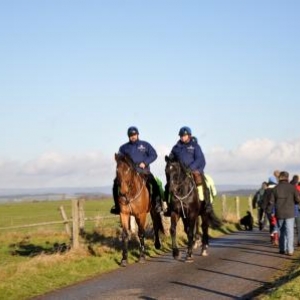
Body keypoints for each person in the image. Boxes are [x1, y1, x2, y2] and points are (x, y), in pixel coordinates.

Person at [110, 126, 163, 215]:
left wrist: (145, 162)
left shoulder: (145, 145)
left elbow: (154, 155)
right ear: (128, 136)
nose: (133, 136)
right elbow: (119, 158)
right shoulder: (123, 148)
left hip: (143, 171)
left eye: (134, 134)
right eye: (131, 135)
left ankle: (157, 205)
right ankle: (117, 206)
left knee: (154, 184)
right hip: (128, 173)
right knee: (115, 184)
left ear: (138, 135)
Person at [164, 126, 207, 215]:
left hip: (193, 170)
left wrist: (191, 168)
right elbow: (172, 157)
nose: (182, 137)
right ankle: (169, 206)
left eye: (184, 135)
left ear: (189, 136)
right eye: (181, 136)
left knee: (199, 181)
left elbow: (199, 159)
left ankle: (202, 203)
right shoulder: (176, 147)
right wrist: (170, 160)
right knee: (169, 185)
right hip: (180, 172)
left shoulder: (195, 146)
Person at [267, 171, 300, 256]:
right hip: (290, 212)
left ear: (280, 178)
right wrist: (295, 203)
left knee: (281, 230)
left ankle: (282, 249)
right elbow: (297, 199)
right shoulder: (292, 188)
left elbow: (271, 202)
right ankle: (290, 250)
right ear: (287, 177)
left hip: (279, 212)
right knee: (290, 231)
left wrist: (269, 211)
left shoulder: (275, 188)